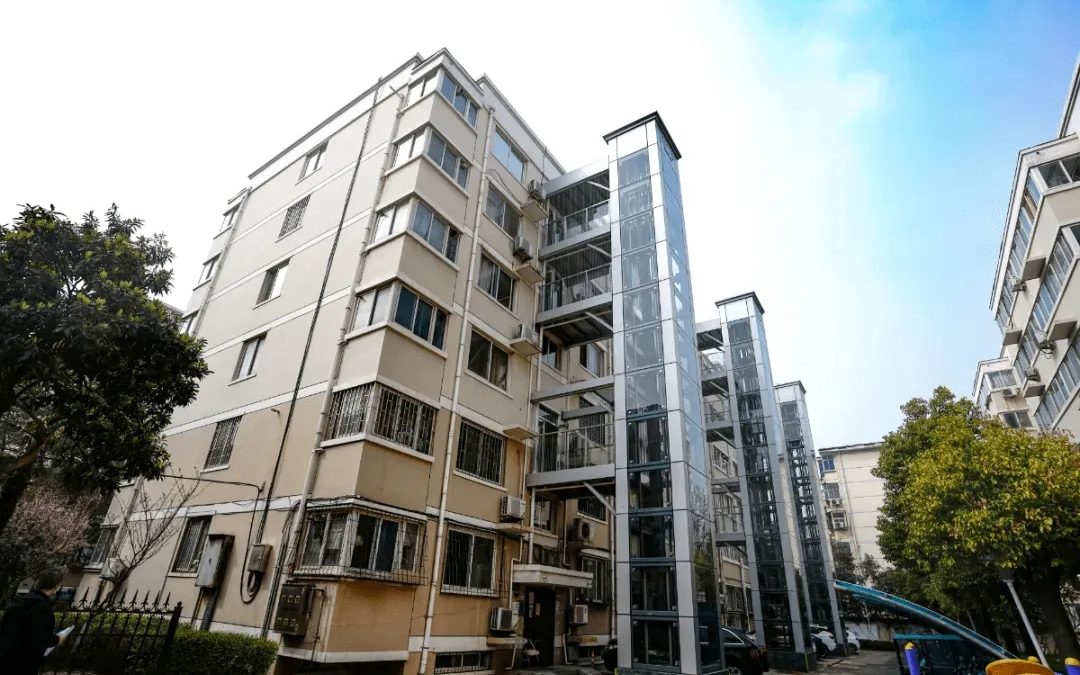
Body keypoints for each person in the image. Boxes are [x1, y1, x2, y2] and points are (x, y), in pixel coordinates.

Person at [0, 567, 67, 674]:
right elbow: (39, 637)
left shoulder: (22, 601)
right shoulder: (42, 607)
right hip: (24, 661)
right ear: (56, 586)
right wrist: (57, 640)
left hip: (6, 657)